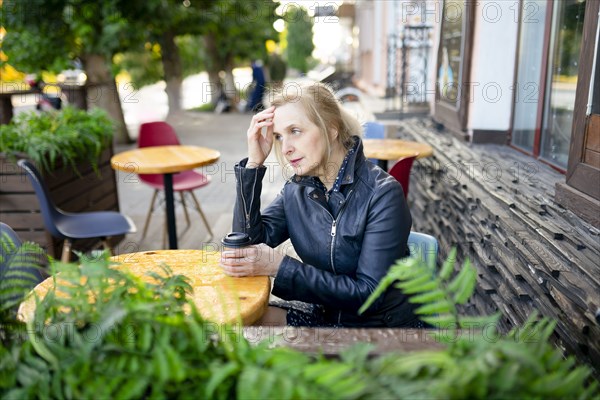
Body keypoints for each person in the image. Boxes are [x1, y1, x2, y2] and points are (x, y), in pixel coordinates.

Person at [221, 82, 418, 328]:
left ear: (332, 128)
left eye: (296, 131)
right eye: (279, 136)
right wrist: (253, 165)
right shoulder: (299, 190)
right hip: (325, 314)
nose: (286, 148)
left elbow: (368, 295)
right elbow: (247, 244)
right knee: (242, 319)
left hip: (378, 329)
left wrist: (279, 266)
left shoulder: (382, 194)